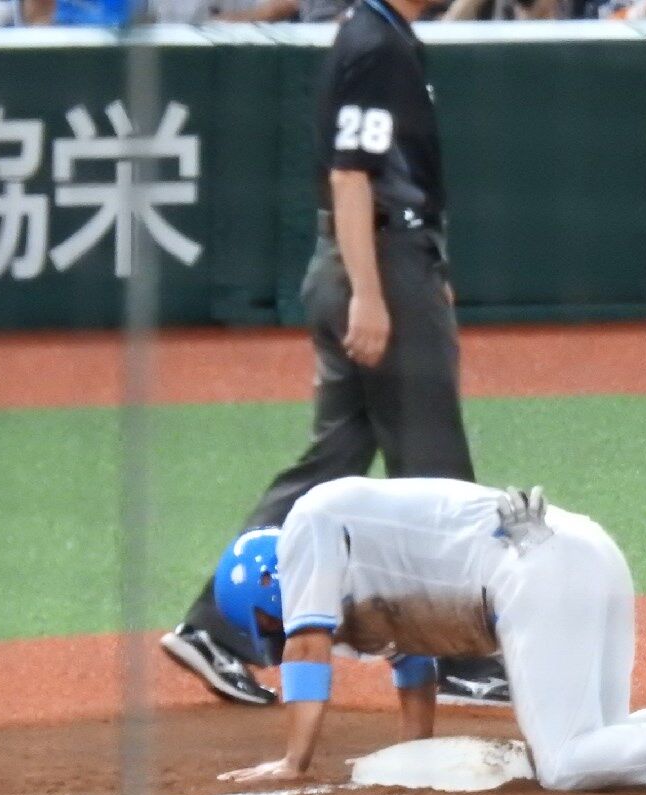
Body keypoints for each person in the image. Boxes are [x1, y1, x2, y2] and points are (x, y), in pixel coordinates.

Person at [160, 0, 510, 709]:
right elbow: (352, 176)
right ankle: (459, 658)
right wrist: (374, 294)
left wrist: (425, 270)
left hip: (381, 259)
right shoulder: (376, 42)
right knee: (435, 469)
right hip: (375, 262)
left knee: (332, 463)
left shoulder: (378, 35)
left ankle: (214, 630)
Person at [212, 477, 646, 795]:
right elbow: (413, 664)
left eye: (268, 624)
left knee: (565, 765)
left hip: (539, 568)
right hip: (580, 551)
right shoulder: (366, 575)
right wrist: (412, 754)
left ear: (269, 585)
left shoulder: (307, 525)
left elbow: (306, 647)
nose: (279, 635)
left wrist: (293, 762)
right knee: (603, 740)